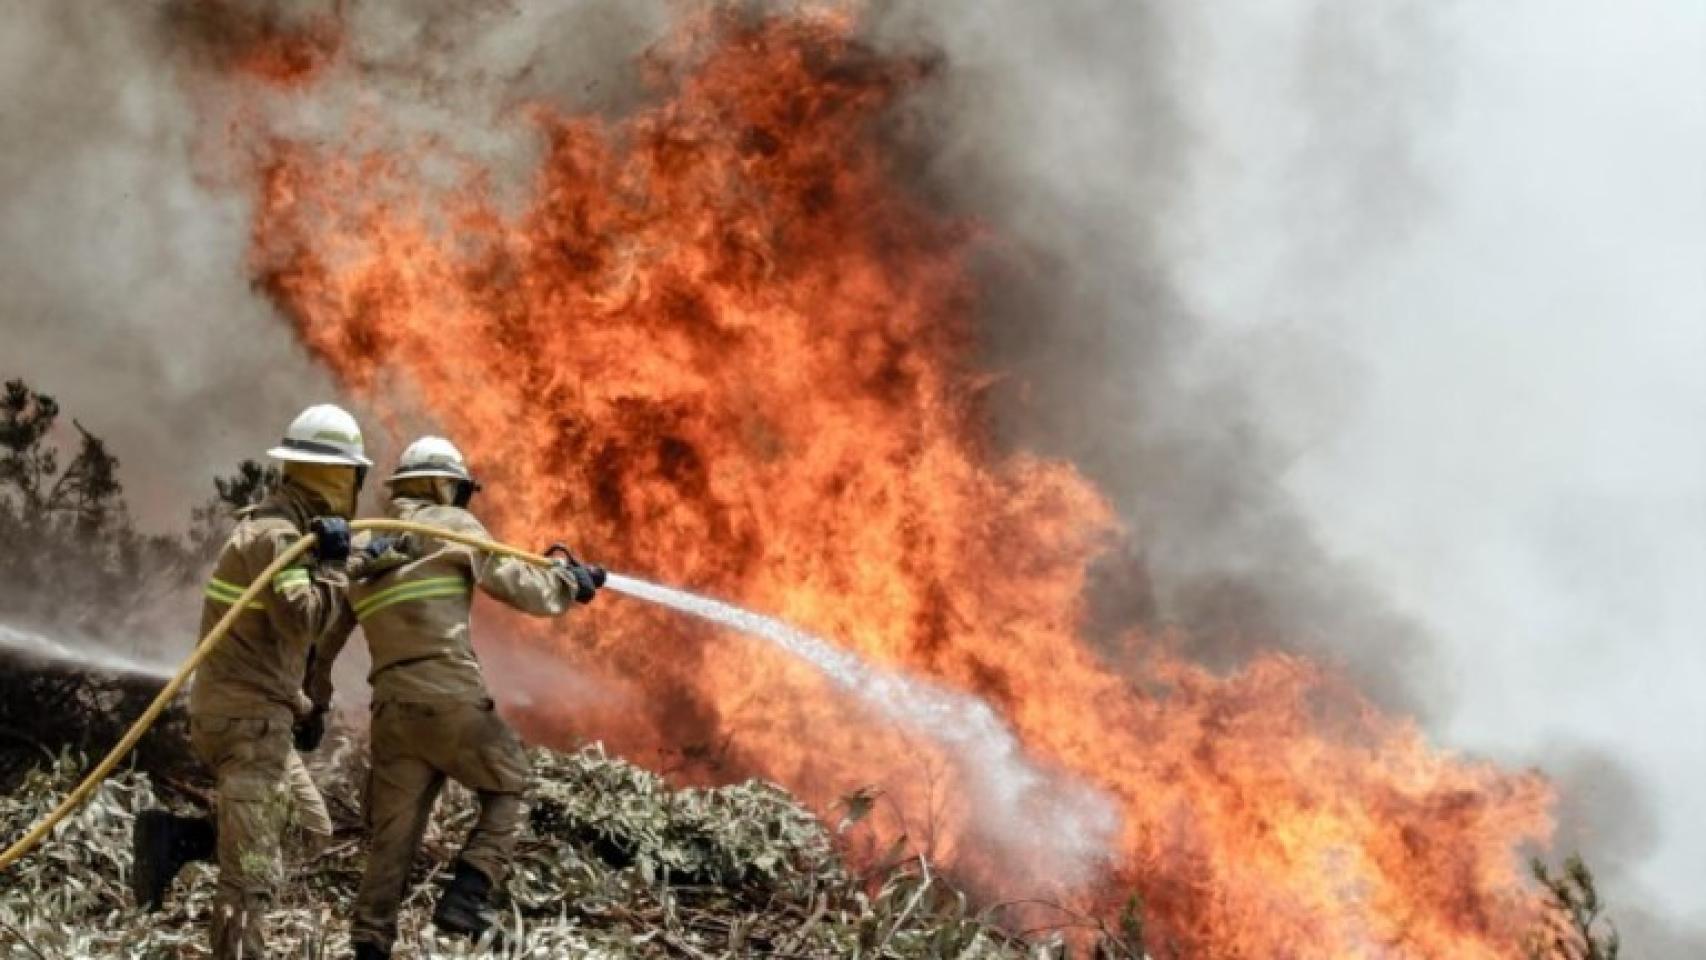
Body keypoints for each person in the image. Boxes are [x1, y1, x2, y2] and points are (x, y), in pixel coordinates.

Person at [326, 436, 600, 960]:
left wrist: (314, 702)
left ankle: (368, 944)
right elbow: (522, 586)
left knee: (391, 840)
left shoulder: (363, 547)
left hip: (393, 714)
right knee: (512, 784)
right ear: (443, 484)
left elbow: (326, 640)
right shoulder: (451, 526)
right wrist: (570, 584)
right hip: (452, 700)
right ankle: (467, 897)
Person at [131, 403, 367, 959]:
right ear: (337, 476)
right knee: (252, 878)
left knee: (312, 829)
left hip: (256, 717)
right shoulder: (278, 537)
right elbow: (303, 621)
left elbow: (261, 643)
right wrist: (337, 567)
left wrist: (302, 705)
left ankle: (181, 838)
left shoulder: (282, 532)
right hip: (247, 727)